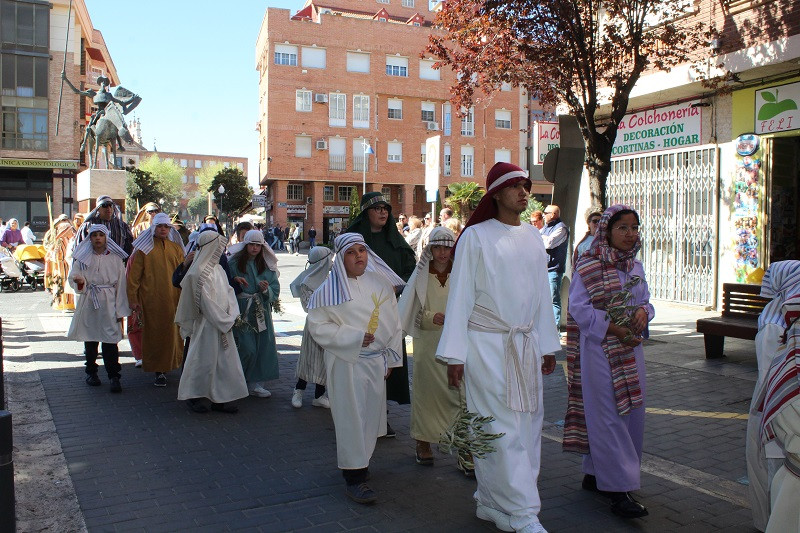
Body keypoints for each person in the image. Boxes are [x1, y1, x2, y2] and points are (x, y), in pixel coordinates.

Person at [436, 161, 560, 533]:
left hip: (524, 344)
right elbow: (460, 297)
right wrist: (456, 354)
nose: (524, 192)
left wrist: (547, 346)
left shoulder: (533, 238)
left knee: (527, 425)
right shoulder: (475, 237)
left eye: (526, 185)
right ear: (496, 193)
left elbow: (541, 295)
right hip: (487, 346)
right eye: (515, 186)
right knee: (499, 426)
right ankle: (523, 512)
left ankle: (492, 502)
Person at [563, 204, 653, 519]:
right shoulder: (588, 265)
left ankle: (595, 472)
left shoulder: (634, 266)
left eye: (634, 227)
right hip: (599, 350)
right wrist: (614, 328)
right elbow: (579, 308)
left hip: (631, 350)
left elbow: (644, 300)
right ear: (607, 232)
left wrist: (643, 313)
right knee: (610, 415)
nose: (630, 234)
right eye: (623, 228)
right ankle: (617, 491)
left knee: (633, 413)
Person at [306, 233, 405, 504]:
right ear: (341, 258)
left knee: (370, 416)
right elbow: (318, 326)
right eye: (352, 252)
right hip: (346, 362)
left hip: (376, 362)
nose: (359, 256)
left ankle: (361, 464)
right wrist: (353, 337)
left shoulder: (380, 283)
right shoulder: (329, 290)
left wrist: (392, 358)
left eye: (362, 250)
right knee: (351, 418)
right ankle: (354, 477)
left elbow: (394, 323)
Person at [346, 192, 416, 435]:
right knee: (362, 364)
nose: (383, 212)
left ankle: (380, 415)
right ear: (367, 213)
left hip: (389, 312)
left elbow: (411, 272)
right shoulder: (354, 243)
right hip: (359, 312)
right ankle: (359, 414)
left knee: (386, 364)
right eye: (378, 209)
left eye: (386, 208)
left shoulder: (397, 243)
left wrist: (400, 285)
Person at [398, 226, 460, 467]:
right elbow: (411, 309)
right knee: (426, 394)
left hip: (456, 343)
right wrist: (429, 317)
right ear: (430, 249)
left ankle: (462, 442)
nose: (443, 253)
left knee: (458, 394)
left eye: (447, 247)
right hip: (427, 343)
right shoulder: (420, 275)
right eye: (438, 247)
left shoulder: (462, 273)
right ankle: (423, 441)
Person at [746, 260, 800, 531]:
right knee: (775, 474)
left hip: (777, 403)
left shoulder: (776, 314)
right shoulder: (779, 318)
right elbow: (771, 370)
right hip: (781, 405)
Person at [176, 230, 249, 414]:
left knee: (223, 362)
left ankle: (221, 398)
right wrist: (224, 320)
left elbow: (230, 292)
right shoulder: (197, 273)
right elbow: (205, 303)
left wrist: (232, 314)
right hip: (207, 325)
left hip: (223, 323)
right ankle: (195, 396)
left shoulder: (218, 270)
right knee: (203, 361)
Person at [66, 224, 130, 393]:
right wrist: (79, 282)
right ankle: (91, 373)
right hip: (89, 301)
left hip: (109, 302)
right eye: (94, 235)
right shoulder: (83, 258)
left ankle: (114, 376)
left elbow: (121, 285)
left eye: (101, 235)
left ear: (106, 237)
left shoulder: (115, 259)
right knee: (91, 339)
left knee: (110, 340)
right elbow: (73, 276)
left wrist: (120, 310)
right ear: (90, 238)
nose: (98, 238)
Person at [126, 213, 185, 387]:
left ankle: (171, 365)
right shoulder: (144, 250)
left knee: (173, 334)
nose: (163, 230)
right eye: (160, 226)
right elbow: (134, 278)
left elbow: (183, 273)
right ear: (153, 228)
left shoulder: (176, 248)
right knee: (155, 334)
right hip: (151, 300)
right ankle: (159, 371)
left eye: (166, 227)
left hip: (174, 299)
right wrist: (133, 299)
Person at [229, 230, 281, 398]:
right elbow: (227, 283)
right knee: (246, 347)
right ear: (245, 245)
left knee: (263, 347)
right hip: (242, 309)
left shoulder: (266, 265)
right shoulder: (235, 262)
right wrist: (236, 282)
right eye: (251, 244)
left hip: (261, 310)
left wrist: (266, 290)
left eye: (258, 245)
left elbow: (275, 287)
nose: (254, 248)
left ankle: (256, 383)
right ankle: (238, 381)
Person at [289, 246, 334, 408]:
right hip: (314, 325)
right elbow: (308, 306)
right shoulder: (307, 283)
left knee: (324, 360)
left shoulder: (332, 280)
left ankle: (319, 395)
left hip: (330, 324)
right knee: (308, 358)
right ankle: (298, 390)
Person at [61, 72, 139, 153]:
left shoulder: (109, 95)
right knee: (89, 126)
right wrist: (65, 79)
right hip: (99, 113)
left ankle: (120, 145)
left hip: (108, 114)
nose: (104, 83)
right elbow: (76, 91)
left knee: (116, 125)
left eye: (105, 82)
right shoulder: (93, 93)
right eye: (102, 81)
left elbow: (122, 103)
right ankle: (84, 143)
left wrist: (133, 99)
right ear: (100, 83)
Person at [541, 205, 569, 330]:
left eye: (545, 213)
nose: (543, 215)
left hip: (553, 270)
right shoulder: (546, 228)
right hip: (543, 268)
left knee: (553, 300)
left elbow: (548, 244)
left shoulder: (561, 228)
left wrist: (541, 237)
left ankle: (554, 330)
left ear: (553, 215)